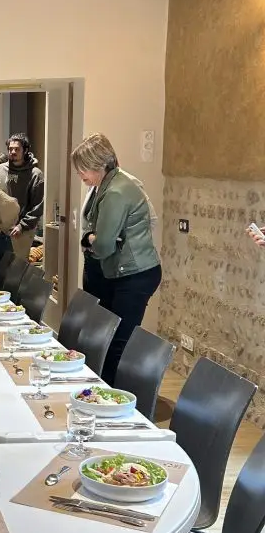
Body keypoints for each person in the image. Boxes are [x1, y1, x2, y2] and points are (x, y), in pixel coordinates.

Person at [73, 133, 161, 384]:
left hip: (134, 275)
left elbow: (102, 246)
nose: (80, 175)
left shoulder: (116, 191)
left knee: (117, 343)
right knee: (109, 337)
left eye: (82, 169)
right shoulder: (109, 184)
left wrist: (90, 238)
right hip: (123, 272)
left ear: (98, 164)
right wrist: (95, 237)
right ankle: (104, 392)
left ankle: (110, 397)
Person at [0, 134, 45, 262]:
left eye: (17, 149)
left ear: (25, 150)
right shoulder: (0, 170)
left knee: (16, 269)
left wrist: (22, 226)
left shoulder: (35, 174)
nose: (13, 152)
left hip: (22, 230)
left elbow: (38, 206)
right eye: (10, 149)